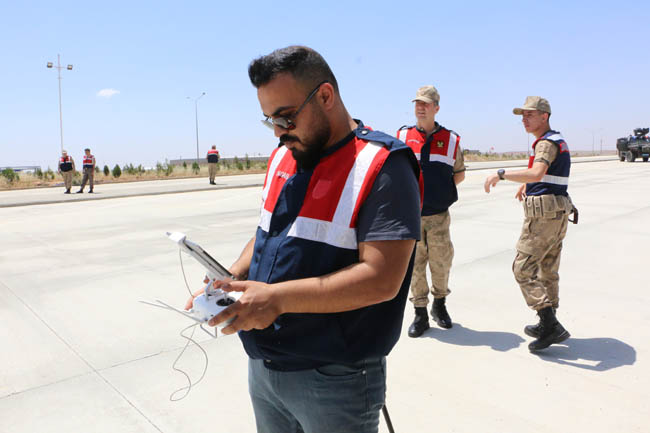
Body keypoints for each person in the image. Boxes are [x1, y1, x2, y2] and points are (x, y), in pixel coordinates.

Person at [186, 46, 421, 433]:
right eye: (270, 121)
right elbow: (265, 233)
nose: (279, 132)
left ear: (325, 96)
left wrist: (276, 299)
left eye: (286, 117)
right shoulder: (284, 157)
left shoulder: (383, 165)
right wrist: (228, 277)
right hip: (264, 368)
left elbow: (382, 280)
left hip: (334, 379)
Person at [484, 96, 574, 352]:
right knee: (548, 269)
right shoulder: (557, 139)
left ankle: (550, 323)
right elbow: (547, 174)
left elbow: (538, 172)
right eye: (522, 115)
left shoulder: (545, 143)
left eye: (529, 114)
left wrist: (501, 174)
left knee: (522, 269)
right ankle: (548, 322)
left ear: (544, 116)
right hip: (557, 214)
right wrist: (528, 184)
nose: (524, 119)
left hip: (543, 218)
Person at [396, 85, 466, 338]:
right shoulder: (402, 137)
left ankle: (440, 306)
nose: (420, 107)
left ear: (436, 107)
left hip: (438, 217)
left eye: (426, 103)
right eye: (417, 103)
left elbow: (458, 174)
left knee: (441, 264)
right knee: (414, 266)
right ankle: (420, 313)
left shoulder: (450, 140)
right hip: (410, 217)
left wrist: (437, 194)